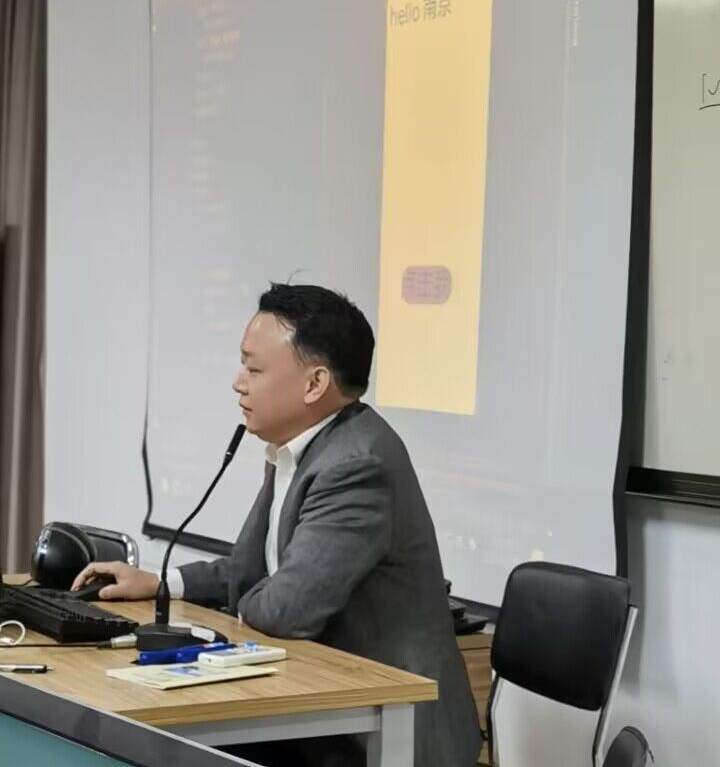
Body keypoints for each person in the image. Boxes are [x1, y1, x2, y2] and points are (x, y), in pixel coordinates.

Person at [73, 284, 482, 767]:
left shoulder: (356, 464)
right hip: (324, 709)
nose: (238, 383)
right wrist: (162, 582)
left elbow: (286, 609)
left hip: (385, 734)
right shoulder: (303, 447)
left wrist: (229, 615)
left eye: (254, 368)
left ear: (314, 384)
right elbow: (261, 570)